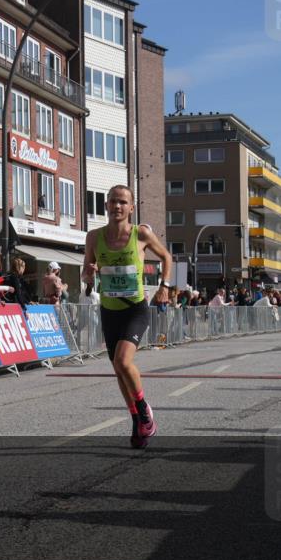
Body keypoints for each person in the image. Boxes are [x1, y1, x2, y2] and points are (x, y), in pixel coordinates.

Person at [82, 185, 171, 449]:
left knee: (123, 360)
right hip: (109, 310)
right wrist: (88, 274)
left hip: (135, 307)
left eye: (123, 202)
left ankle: (143, 408)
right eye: (112, 202)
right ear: (106, 206)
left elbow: (167, 257)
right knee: (119, 370)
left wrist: (164, 287)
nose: (117, 206)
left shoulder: (141, 234)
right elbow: (87, 271)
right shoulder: (93, 237)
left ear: (131, 208)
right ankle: (136, 421)